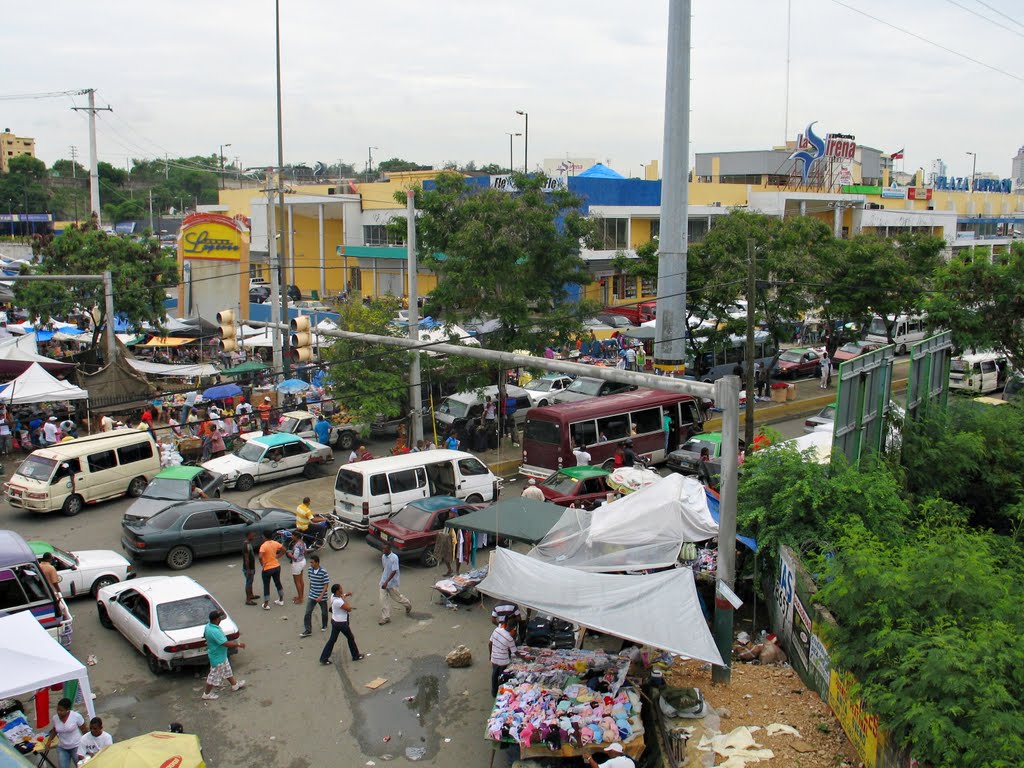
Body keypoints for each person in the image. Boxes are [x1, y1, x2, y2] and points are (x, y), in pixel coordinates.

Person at [201, 610, 246, 700]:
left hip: (221, 655)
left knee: (227, 670)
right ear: (216, 619)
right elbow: (225, 643)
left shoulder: (208, 626)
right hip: (217, 658)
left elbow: (205, 635)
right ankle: (206, 694)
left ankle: (234, 685)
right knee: (212, 677)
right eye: (220, 618)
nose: (221, 619)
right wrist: (238, 644)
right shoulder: (215, 631)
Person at [320, 583, 364, 665]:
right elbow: (348, 608)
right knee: (350, 637)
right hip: (341, 623)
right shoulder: (339, 601)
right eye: (340, 589)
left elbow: (341, 595)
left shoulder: (333, 597)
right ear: (337, 591)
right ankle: (355, 655)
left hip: (335, 621)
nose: (342, 589)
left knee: (332, 640)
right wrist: (344, 599)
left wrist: (346, 595)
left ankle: (324, 657)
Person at [44, 698, 85, 768]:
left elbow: (84, 730)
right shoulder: (55, 718)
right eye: (58, 710)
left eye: (61, 710)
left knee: (81, 766)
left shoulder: (76, 716)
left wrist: (87, 744)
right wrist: (49, 741)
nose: (59, 712)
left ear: (67, 710)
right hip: (62, 747)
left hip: (76, 747)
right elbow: (55, 730)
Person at [378, 543, 412, 625]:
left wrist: (387, 582)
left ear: (389, 549)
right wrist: (384, 579)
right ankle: (386, 617)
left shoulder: (394, 558)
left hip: (392, 583)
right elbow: (385, 567)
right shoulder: (383, 556)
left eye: (385, 549)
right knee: (383, 600)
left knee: (397, 598)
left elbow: (394, 571)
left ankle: (407, 604)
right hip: (383, 582)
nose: (383, 551)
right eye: (383, 549)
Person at [301, 554, 330, 637]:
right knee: (307, 612)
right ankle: (308, 629)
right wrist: (310, 591)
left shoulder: (323, 572)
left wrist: (321, 596)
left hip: (322, 596)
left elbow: (326, 585)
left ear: (317, 563)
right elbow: (311, 580)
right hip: (312, 595)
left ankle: (324, 625)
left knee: (324, 612)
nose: (311, 564)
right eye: (310, 562)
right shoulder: (310, 570)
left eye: (312, 562)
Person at [258, 529, 286, 610]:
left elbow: (260, 557)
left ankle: (266, 604)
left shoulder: (263, 546)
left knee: (266, 585)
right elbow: (284, 550)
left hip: (267, 568)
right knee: (278, 582)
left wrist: (262, 564)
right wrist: (278, 556)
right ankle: (281, 600)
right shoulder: (275, 543)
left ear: (264, 537)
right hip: (276, 566)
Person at [488, 620, 517, 697]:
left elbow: (490, 643)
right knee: (502, 677)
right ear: (513, 628)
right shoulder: (509, 638)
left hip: (494, 658)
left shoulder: (496, 630)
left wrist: (490, 655)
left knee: (494, 674)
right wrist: (526, 658)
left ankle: (494, 691)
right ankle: (500, 692)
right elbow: (515, 652)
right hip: (503, 661)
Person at [433, 510, 459, 578]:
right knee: (445, 555)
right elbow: (445, 530)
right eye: (450, 512)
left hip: (456, 541)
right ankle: (449, 570)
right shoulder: (448, 520)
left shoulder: (458, 521)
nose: (450, 514)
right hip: (447, 541)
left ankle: (457, 571)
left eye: (452, 513)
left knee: (457, 556)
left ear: (455, 513)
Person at [288, 531, 307, 604]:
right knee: (301, 580)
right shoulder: (302, 542)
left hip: (297, 564)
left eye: (292, 535)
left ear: (296, 536)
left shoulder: (297, 546)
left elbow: (295, 557)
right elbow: (305, 551)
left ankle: (300, 598)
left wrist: (289, 554)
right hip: (302, 561)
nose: (291, 537)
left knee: (297, 581)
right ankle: (301, 596)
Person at [242, 530, 258, 605]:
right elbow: (246, 559)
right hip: (248, 568)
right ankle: (248, 600)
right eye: (252, 535)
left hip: (251, 567)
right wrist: (248, 570)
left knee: (250, 582)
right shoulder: (246, 545)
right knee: (248, 583)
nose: (254, 537)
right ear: (248, 536)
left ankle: (251, 595)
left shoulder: (248, 544)